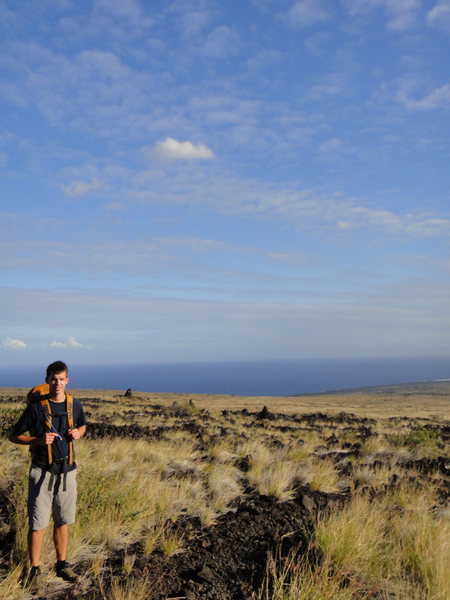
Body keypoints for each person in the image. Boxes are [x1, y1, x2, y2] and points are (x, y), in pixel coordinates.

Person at [9, 361, 86, 588]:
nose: (58, 383)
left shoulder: (74, 405)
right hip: (41, 473)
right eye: (54, 379)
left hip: (67, 472)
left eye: (62, 378)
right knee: (37, 523)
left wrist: (79, 433)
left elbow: (83, 426)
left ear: (67, 380)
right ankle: (35, 570)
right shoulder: (36, 408)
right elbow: (13, 435)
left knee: (63, 521)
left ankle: (62, 564)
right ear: (47, 380)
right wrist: (37, 440)